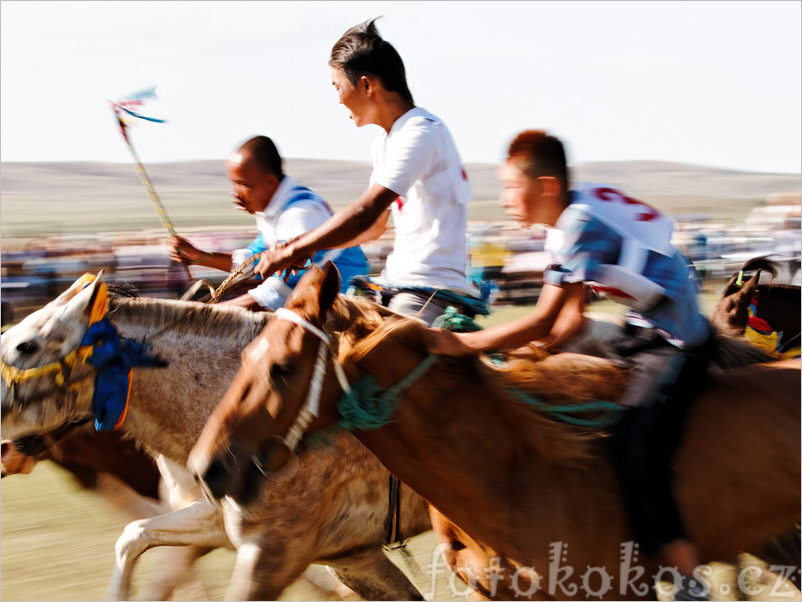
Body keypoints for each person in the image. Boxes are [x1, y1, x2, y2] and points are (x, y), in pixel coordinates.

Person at [425, 130, 715, 599]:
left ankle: (688, 579)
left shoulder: (577, 225)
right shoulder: (571, 217)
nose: (502, 201)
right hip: (639, 326)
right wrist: (526, 356)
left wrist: (465, 344)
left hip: (675, 337)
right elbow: (568, 321)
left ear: (546, 187)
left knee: (634, 448)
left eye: (508, 187)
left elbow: (542, 319)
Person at [252, 18, 482, 325]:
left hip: (428, 290)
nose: (337, 98)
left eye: (338, 86)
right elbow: (372, 227)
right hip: (396, 284)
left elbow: (364, 211)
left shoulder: (420, 132)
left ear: (366, 84)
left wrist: (295, 247)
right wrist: (302, 246)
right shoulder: (387, 140)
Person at [171, 135, 369, 310]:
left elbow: (275, 294)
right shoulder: (271, 212)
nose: (235, 193)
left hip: (345, 311)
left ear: (269, 183)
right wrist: (200, 257)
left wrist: (200, 316)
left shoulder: (299, 214)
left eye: (242, 184)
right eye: (233, 183)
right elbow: (252, 262)